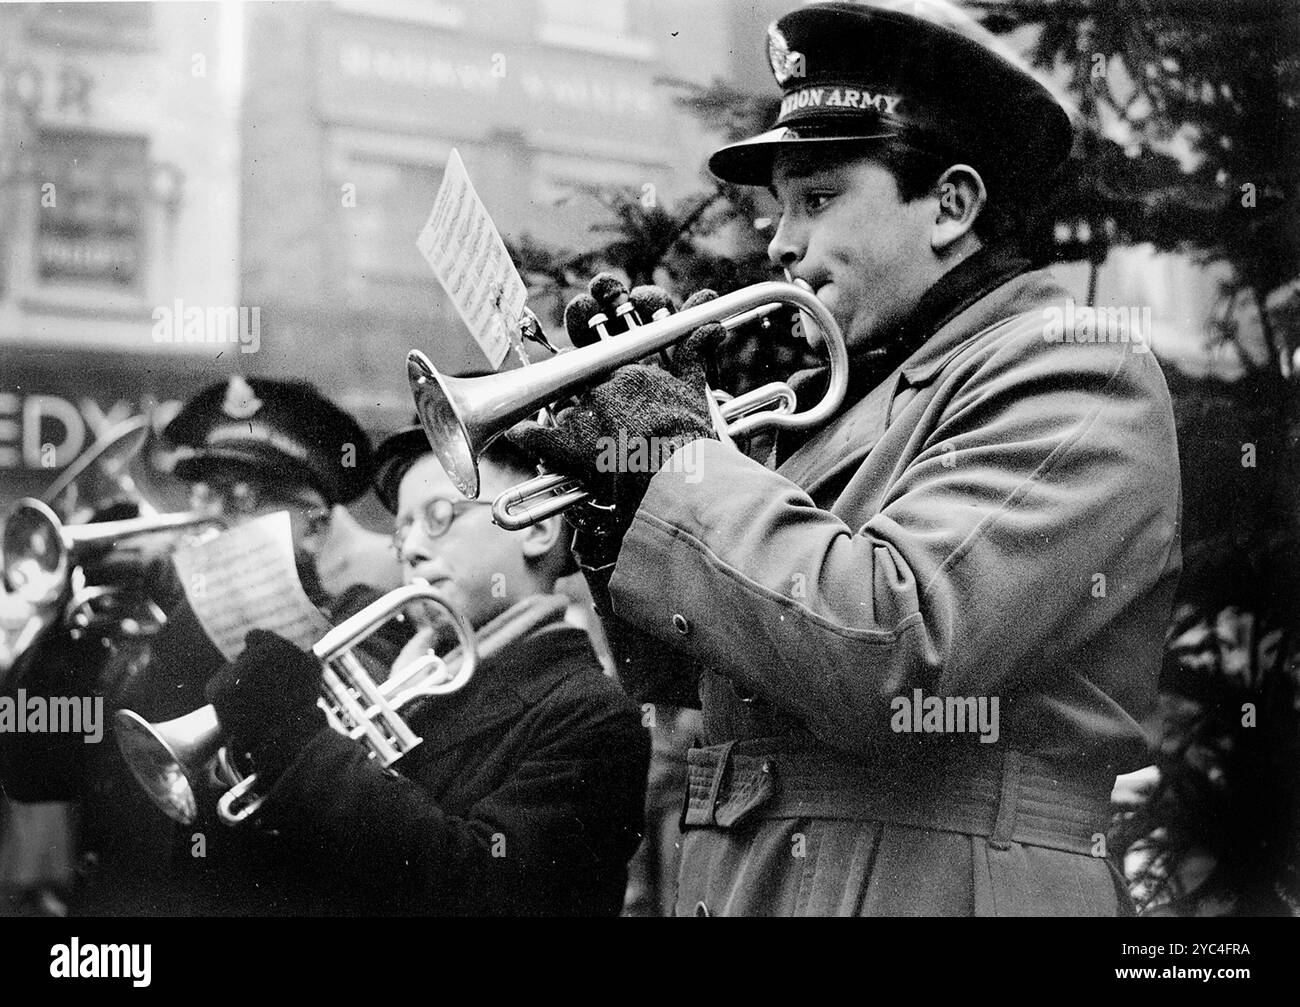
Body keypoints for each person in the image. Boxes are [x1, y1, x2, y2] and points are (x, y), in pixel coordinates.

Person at [507, 1, 1182, 916]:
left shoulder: (1075, 364)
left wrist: (676, 466)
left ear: (951, 205)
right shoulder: (856, 391)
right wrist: (617, 504)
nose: (782, 243)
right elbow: (695, 676)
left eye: (818, 199)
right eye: (781, 208)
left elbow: (895, 652)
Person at [197, 425, 650, 915]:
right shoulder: (406, 666)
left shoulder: (592, 716)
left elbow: (479, 888)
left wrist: (300, 747)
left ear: (537, 526)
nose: (410, 548)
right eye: (402, 529)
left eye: (437, 517)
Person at [0, 375, 396, 914]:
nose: (211, 516)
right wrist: (68, 637)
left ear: (315, 523)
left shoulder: (362, 625)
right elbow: (32, 773)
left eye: (243, 498)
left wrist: (190, 625)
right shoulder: (142, 623)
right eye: (204, 492)